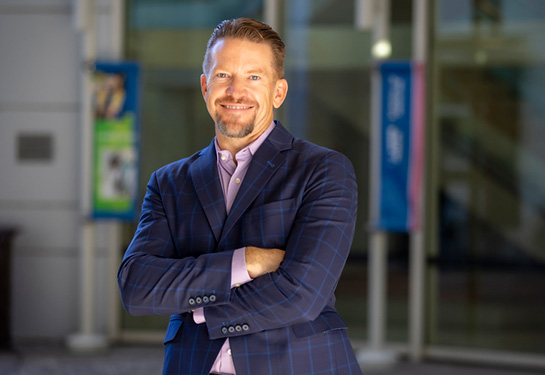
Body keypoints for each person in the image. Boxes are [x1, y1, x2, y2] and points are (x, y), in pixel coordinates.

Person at [118, 17, 361, 375]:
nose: (235, 91)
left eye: (253, 77)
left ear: (278, 92)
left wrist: (199, 308)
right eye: (223, 76)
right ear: (205, 86)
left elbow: (303, 294)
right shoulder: (169, 183)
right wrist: (246, 261)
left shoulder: (323, 170)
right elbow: (136, 285)